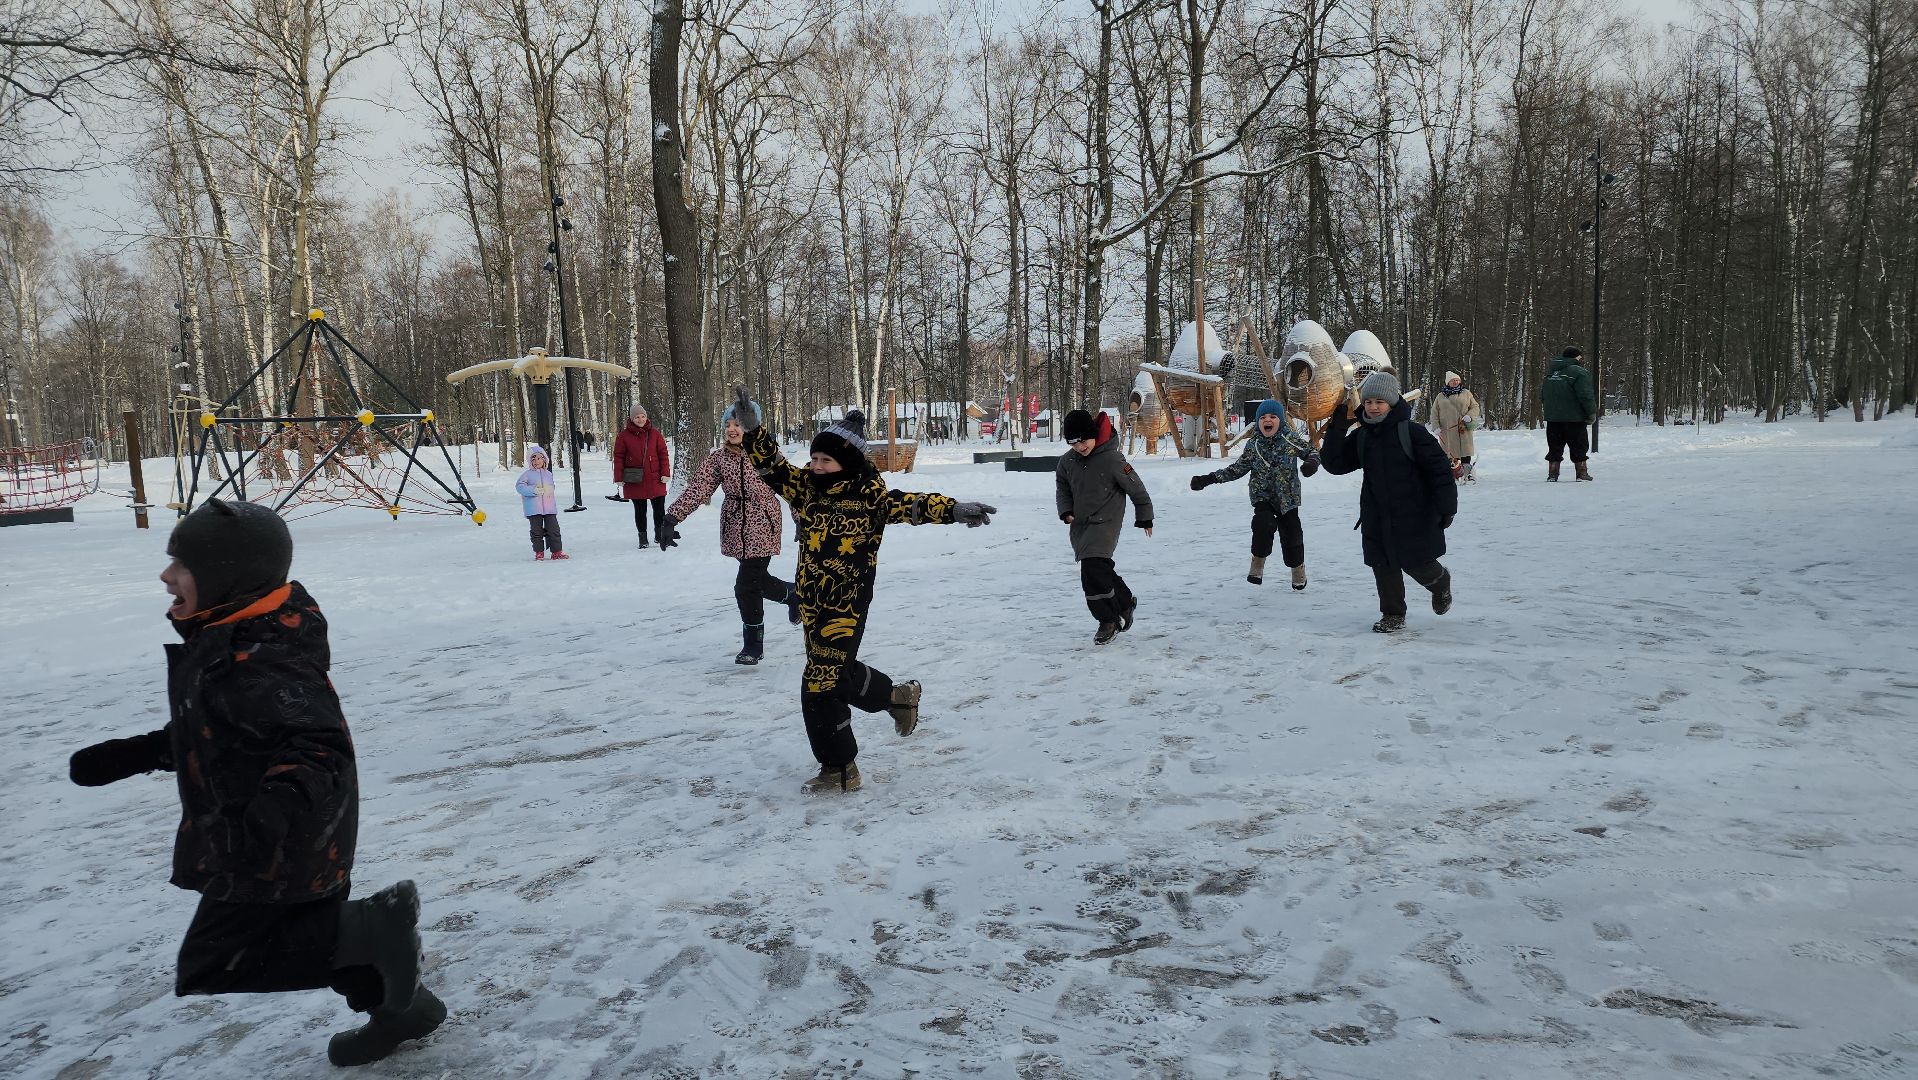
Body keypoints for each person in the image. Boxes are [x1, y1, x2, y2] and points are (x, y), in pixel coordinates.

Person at [65, 499, 446, 1066]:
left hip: (276, 836)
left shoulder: (259, 658)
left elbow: (317, 745)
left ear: (227, 576)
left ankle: (376, 928)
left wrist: (271, 813)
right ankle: (400, 1008)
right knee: (310, 933)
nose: (166, 576)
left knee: (222, 958)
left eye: (182, 565)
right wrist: (144, 752)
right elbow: (231, 730)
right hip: (291, 832)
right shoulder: (233, 638)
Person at [735, 387, 996, 793]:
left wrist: (954, 509)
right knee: (836, 675)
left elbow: (910, 505)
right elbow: (773, 467)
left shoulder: (869, 496)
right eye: (814, 458)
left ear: (848, 462)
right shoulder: (806, 488)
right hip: (811, 599)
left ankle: (840, 769)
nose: (817, 466)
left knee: (819, 684)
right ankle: (897, 698)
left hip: (846, 604)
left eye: (826, 460)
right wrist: (753, 431)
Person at [1318, 373, 1458, 634]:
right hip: (1376, 515)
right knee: (1383, 565)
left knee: (1417, 563)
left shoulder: (1412, 433)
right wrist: (1338, 425)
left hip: (1414, 514)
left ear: (1392, 403)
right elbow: (1334, 463)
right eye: (1368, 401)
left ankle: (1440, 583)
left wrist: (1447, 507)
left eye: (1379, 402)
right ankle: (1393, 614)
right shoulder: (1363, 436)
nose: (1373, 407)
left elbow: (1439, 472)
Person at [664, 401, 801, 665]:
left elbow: (790, 486)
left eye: (738, 424)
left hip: (763, 523)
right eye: (727, 424)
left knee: (746, 586)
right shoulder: (719, 458)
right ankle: (792, 595)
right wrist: (672, 518)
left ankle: (753, 646)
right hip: (735, 525)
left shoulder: (767, 454)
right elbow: (698, 488)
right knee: (757, 580)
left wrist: (800, 519)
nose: (731, 429)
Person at [1190, 399, 1319, 589]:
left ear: (1280, 421)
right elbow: (1236, 469)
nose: (1268, 420)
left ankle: (1297, 569)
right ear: (1258, 422)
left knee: (1292, 535)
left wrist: (1311, 464)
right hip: (1262, 497)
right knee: (1262, 524)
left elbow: (1312, 452)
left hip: (1288, 498)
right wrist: (1208, 479)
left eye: (1273, 417)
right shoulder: (1254, 445)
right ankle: (1257, 563)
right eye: (1263, 417)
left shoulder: (1290, 439)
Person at [1056, 408, 1154, 645]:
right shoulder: (1067, 461)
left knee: (1091, 570)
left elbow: (1137, 488)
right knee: (1100, 569)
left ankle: (1108, 620)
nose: (1080, 447)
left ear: (1093, 435)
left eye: (1083, 441)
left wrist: (1145, 516)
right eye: (1073, 443)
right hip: (1080, 525)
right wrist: (1066, 511)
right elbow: (1062, 488)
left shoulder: (1112, 459)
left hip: (1106, 522)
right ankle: (1125, 603)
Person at [612, 404, 673, 546]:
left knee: (659, 510)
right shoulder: (623, 436)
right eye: (637, 417)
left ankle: (659, 536)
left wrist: (665, 473)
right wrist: (618, 477)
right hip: (635, 479)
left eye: (643, 416)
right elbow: (619, 457)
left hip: (656, 478)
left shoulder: (655, 434)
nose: (640, 419)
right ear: (632, 419)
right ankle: (643, 539)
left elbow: (663, 454)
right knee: (640, 511)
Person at [1540, 346, 1597, 481]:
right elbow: (1585, 395)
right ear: (1577, 357)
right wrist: (1591, 412)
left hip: (1553, 418)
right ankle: (1581, 473)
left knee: (1554, 447)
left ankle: (1553, 474)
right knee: (1579, 446)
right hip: (1574, 418)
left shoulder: (1551, 373)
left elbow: (1543, 395)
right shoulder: (1579, 372)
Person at [515, 445, 567, 561]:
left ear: (544, 459)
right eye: (533, 459)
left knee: (554, 530)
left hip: (549, 508)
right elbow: (519, 487)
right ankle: (539, 552)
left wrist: (550, 489)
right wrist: (533, 490)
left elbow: (552, 486)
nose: (536, 461)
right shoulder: (527, 474)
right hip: (534, 509)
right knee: (536, 531)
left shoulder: (548, 474)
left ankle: (557, 552)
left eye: (539, 458)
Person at [1430, 371, 1481, 484]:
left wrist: (1470, 416)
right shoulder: (1440, 396)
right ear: (1448, 382)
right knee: (1450, 453)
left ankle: (1467, 474)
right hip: (1447, 430)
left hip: (1463, 428)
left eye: (1457, 380)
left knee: (1465, 452)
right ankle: (1453, 474)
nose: (1455, 382)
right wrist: (1436, 426)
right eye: (1453, 380)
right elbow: (1434, 412)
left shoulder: (1466, 393)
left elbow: (1475, 407)